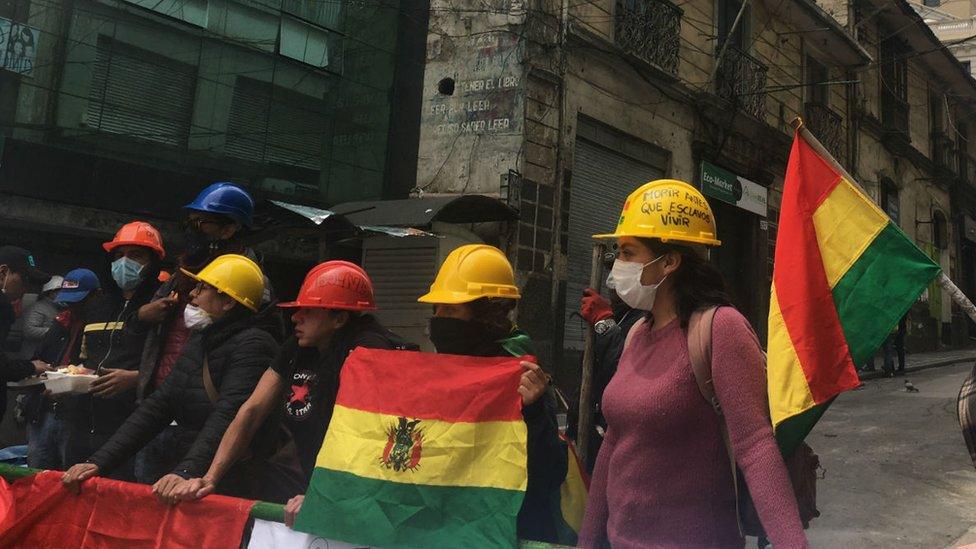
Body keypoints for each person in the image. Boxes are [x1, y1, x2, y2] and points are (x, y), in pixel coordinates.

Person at [577, 179, 807, 548]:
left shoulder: (721, 329)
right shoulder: (637, 332)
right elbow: (614, 445)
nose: (617, 266)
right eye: (617, 253)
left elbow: (755, 445)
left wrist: (793, 544)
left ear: (669, 261)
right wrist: (587, 541)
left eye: (628, 252)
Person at [157, 261, 416, 507]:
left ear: (339, 320)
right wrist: (211, 478)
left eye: (309, 311)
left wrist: (324, 495)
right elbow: (251, 411)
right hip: (311, 478)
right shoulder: (299, 345)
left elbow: (367, 435)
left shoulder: (370, 351)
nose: (296, 318)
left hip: (361, 490)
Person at [61, 254, 280, 499]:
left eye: (203, 288)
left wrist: (187, 472)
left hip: (226, 482)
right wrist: (99, 462)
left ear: (227, 302)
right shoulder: (202, 337)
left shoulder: (254, 345)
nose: (193, 295)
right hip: (191, 470)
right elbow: (160, 404)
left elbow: (228, 416)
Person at [418, 244, 566, 543]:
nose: (439, 318)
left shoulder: (520, 373)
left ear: (485, 312)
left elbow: (549, 474)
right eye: (437, 309)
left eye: (451, 309)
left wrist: (534, 410)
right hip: (448, 529)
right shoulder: (441, 369)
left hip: (508, 531)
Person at [129, 182, 272, 484]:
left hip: (206, 426)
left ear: (230, 228)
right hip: (160, 408)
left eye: (203, 222)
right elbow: (144, 331)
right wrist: (142, 316)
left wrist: (190, 470)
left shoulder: (252, 284)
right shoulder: (180, 277)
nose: (194, 230)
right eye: (191, 222)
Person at [27, 223, 166, 476]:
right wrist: (66, 384)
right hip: (83, 422)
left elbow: (177, 367)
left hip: (135, 428)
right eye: (119, 255)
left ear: (153, 262)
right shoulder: (99, 307)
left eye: (136, 255)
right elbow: (83, 360)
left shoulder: (162, 307)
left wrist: (136, 378)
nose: (125, 262)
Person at [27, 268, 102, 471]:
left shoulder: (101, 326)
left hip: (78, 416)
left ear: (96, 295)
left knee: (69, 472)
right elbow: (38, 356)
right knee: (37, 472)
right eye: (69, 300)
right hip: (43, 409)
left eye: (79, 300)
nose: (73, 305)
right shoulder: (61, 322)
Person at [567, 286, 638, 473]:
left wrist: (605, 325)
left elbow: (623, 375)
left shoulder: (647, 320)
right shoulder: (621, 315)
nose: (613, 281)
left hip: (615, 442)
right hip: (588, 432)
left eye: (628, 255)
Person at [0, 245, 52, 424]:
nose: (26, 288)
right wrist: (31, 367)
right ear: (3, 273)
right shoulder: (2, 305)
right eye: (24, 279)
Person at [19, 275, 63, 360]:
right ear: (51, 292)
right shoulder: (38, 307)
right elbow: (29, 330)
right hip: (31, 356)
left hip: (46, 355)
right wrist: (55, 331)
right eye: (60, 291)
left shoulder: (59, 308)